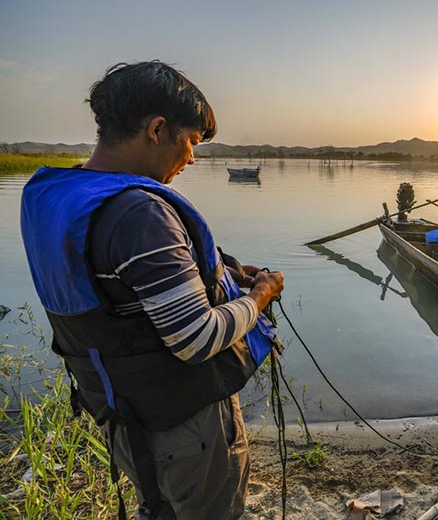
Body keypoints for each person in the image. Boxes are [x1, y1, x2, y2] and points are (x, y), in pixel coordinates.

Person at [20, 61, 284, 520]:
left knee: (158, 509)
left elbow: (119, 285)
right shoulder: (139, 214)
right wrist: (259, 296)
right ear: (157, 129)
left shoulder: (57, 193)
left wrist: (227, 272)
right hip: (185, 424)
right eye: (192, 141)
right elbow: (195, 339)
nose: (192, 158)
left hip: (124, 414)